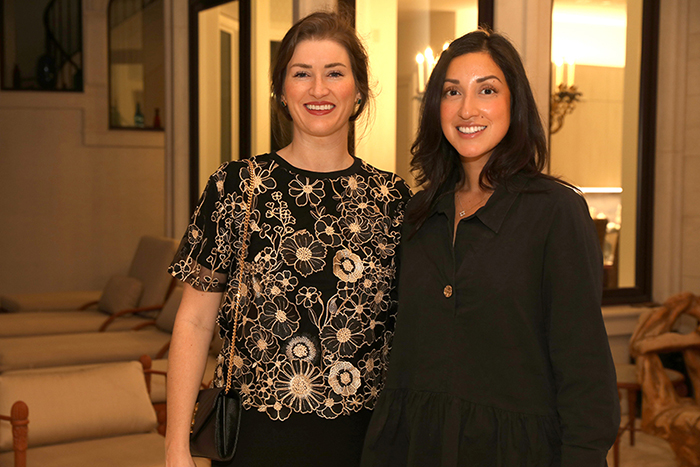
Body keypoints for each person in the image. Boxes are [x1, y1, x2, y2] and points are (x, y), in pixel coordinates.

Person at [361, 29, 620, 467]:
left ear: (514, 103)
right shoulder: (418, 213)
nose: (467, 109)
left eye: (487, 90)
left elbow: (585, 368)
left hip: (517, 451)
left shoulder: (555, 212)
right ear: (436, 107)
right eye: (452, 92)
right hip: (417, 446)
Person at [165, 11, 411, 467]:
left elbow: (411, 330)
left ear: (358, 90)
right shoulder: (236, 186)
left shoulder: (392, 199)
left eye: (334, 73)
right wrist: (175, 446)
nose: (318, 89)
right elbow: (195, 322)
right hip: (253, 441)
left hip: (365, 444)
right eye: (302, 74)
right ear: (281, 90)